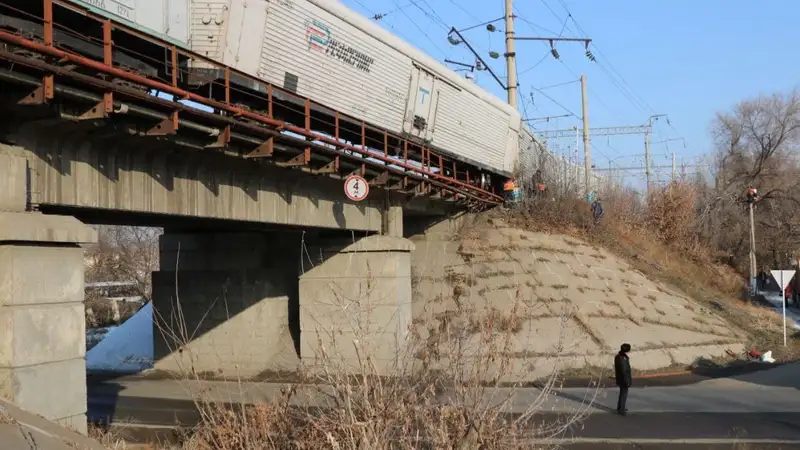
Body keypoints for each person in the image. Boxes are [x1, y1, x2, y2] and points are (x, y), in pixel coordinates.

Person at [614, 343, 632, 416]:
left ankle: (620, 407)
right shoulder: (623, 358)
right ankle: (621, 409)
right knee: (624, 394)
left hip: (620, 377)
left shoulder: (618, 356)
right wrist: (627, 380)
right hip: (623, 378)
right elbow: (624, 370)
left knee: (622, 393)